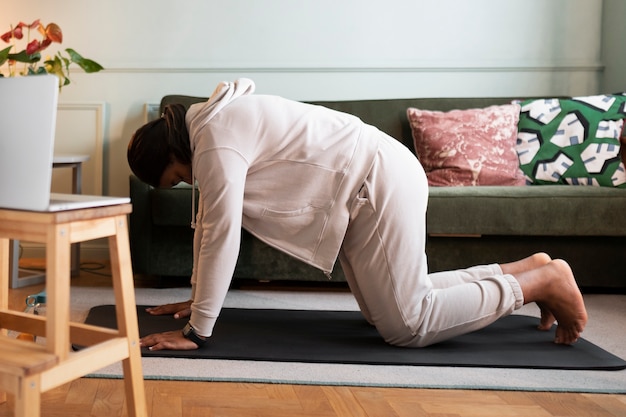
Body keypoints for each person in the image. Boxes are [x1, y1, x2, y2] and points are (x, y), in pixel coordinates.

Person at [127, 78, 587, 351]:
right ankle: (527, 270)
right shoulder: (212, 125)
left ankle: (540, 284)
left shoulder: (216, 139)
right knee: (388, 314)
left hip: (377, 181)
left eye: (177, 178)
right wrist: (197, 299)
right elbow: (209, 224)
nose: (189, 184)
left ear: (172, 152)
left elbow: (220, 234)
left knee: (409, 324)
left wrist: (197, 331)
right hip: (366, 187)